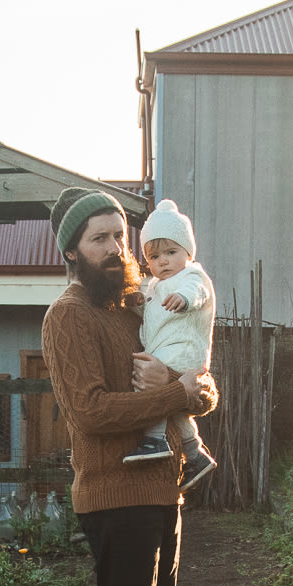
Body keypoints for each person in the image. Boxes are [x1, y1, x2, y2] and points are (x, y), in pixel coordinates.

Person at [42, 187, 219, 586]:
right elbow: (89, 412)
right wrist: (170, 395)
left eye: (121, 235)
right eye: (100, 238)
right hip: (114, 495)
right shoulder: (68, 318)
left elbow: (201, 382)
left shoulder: (136, 305)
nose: (117, 248)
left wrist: (187, 392)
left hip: (163, 489)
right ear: (71, 252)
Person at [119, 199, 220, 490]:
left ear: (188, 252)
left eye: (171, 252)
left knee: (149, 382)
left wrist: (185, 299)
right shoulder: (155, 286)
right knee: (176, 409)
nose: (163, 261)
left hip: (184, 350)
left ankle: (154, 439)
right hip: (169, 350)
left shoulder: (192, 275)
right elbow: (153, 316)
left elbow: (198, 292)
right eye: (154, 256)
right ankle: (196, 455)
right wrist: (137, 305)